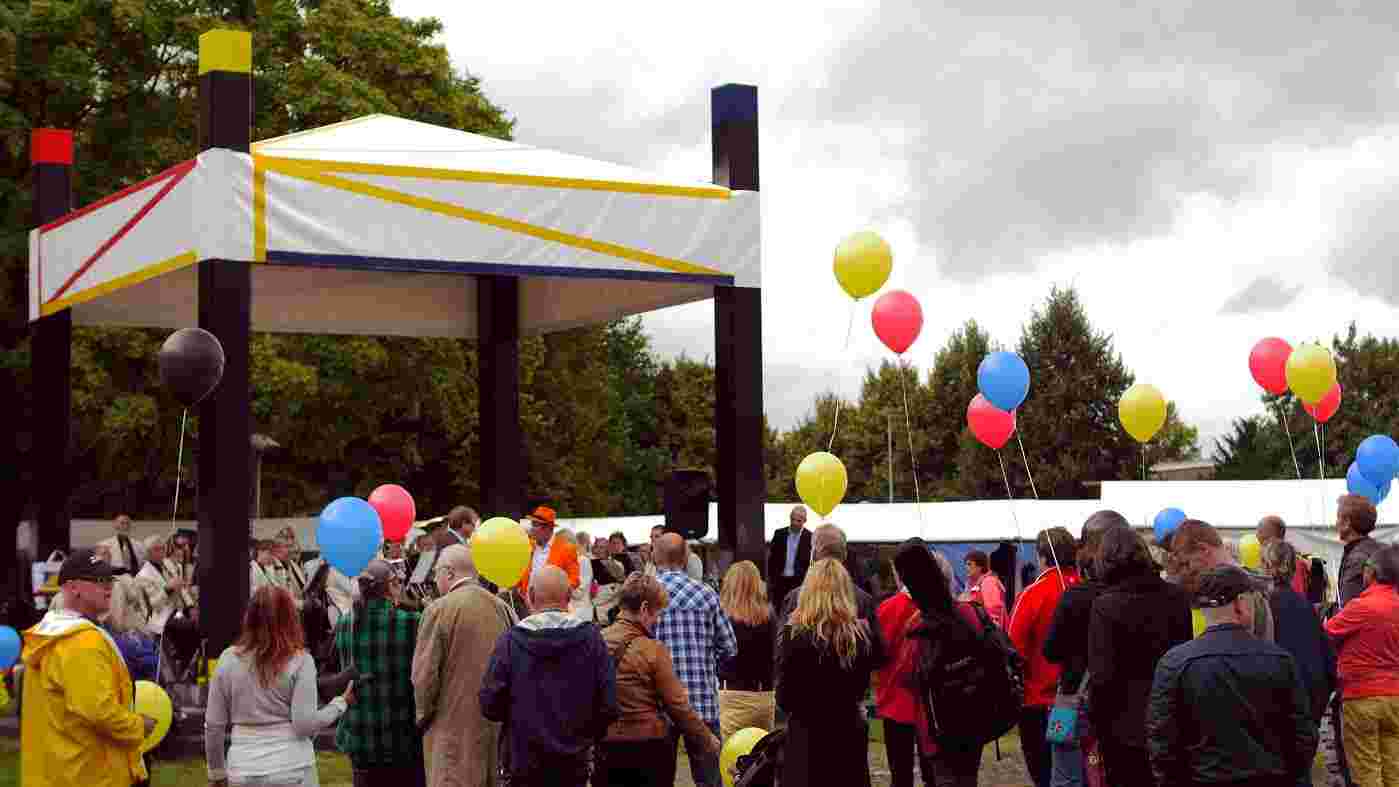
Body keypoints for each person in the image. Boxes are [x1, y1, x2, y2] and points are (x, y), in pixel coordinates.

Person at [1148, 565, 1318, 787]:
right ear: (1240, 603)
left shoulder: (1174, 663)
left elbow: (1162, 744)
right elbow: (1303, 737)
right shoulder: (1279, 660)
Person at [20, 547, 156, 787]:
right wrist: (138, 725)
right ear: (73, 588)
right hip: (91, 774)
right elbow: (98, 711)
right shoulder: (82, 641)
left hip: (59, 770)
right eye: (98, 580)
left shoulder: (51, 632)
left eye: (109, 579)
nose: (109, 586)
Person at [481, 566, 618, 787]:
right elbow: (609, 705)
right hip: (574, 762)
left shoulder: (510, 641)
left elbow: (490, 703)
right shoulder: (591, 639)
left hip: (523, 762)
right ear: (568, 596)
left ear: (531, 596)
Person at [205, 585, 354, 787]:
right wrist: (340, 704)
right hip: (292, 768)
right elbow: (304, 724)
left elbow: (214, 725)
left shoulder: (228, 658)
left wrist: (216, 772)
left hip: (242, 768)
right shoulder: (301, 661)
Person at [1089, 524, 1192, 787]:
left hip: (1125, 728)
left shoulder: (1106, 606)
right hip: (1172, 717)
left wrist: (1097, 727)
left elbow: (1103, 677)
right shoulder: (1176, 597)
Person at [598, 573, 720, 787]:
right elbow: (677, 705)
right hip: (648, 748)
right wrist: (706, 738)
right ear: (644, 609)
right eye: (657, 614)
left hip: (607, 746)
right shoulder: (653, 650)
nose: (657, 621)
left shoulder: (596, 641)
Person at [412, 545, 515, 787]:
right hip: (494, 733)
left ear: (449, 573)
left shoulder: (438, 609)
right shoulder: (503, 608)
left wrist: (423, 717)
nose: (434, 580)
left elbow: (424, 676)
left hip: (451, 735)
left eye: (436, 573)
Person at [1043, 511, 1131, 787]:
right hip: (1121, 703)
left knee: (1065, 775)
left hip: (1072, 697)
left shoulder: (1076, 596)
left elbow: (1051, 650)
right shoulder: (1139, 593)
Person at [776, 558, 878, 787]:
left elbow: (784, 697)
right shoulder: (859, 637)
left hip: (806, 736)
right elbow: (862, 689)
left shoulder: (796, 636)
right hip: (848, 733)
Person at [652, 533, 737, 787]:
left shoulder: (646, 597)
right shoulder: (706, 594)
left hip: (659, 703)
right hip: (702, 701)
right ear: (686, 557)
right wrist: (707, 663)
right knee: (710, 780)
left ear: (656, 556)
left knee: (658, 779)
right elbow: (730, 646)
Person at [335, 560, 424, 787]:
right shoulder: (411, 622)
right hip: (400, 737)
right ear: (391, 585)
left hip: (359, 735)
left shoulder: (345, 622)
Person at [1009, 527, 1080, 787]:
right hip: (1083, 702)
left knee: (1047, 775)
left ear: (1042, 557)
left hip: (1043, 704)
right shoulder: (1090, 589)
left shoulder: (1033, 595)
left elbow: (1011, 650)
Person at [1325, 545, 1399, 787]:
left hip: (1362, 697)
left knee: (1367, 770)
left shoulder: (1361, 606)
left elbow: (1328, 632)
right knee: (1394, 766)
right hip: (1396, 697)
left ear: (1371, 572)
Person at [1262, 539, 1337, 744]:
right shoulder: (1306, 606)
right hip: (1310, 698)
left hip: (1282, 701)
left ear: (1267, 566)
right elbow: (1327, 655)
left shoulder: (1263, 606)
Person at [877, 538, 936, 787]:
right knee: (933, 775)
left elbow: (879, 654)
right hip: (932, 705)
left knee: (900, 775)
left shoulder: (888, 608)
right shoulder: (943, 605)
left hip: (896, 701)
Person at [1170, 519, 1274, 641]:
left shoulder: (1247, 590)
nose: (1188, 570)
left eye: (1187, 563)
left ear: (1203, 549)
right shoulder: (1249, 585)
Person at [718, 560, 777, 740]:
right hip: (763, 697)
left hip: (731, 695)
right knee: (761, 761)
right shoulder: (769, 617)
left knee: (729, 760)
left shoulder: (722, 617)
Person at [517, 506, 581, 596]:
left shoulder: (566, 549)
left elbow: (574, 580)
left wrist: (555, 594)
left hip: (550, 604)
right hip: (527, 603)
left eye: (535, 525)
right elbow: (522, 574)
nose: (532, 529)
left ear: (548, 528)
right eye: (532, 524)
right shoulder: (529, 546)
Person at [1337, 495, 1383, 607]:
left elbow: (1348, 608)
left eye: (1338, 517)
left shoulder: (1357, 559)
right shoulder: (1381, 549)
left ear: (1347, 522)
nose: (1336, 523)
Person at [766, 505, 813, 612]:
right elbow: (772, 559)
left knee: (795, 610)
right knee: (778, 609)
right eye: (793, 519)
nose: (795, 523)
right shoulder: (779, 534)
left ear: (805, 521)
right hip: (780, 581)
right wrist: (772, 579)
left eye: (798, 520)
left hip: (799, 582)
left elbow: (811, 562)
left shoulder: (810, 537)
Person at [1258, 515, 1311, 596]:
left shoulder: (1291, 562)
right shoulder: (1270, 558)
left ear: (1272, 535)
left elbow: (1295, 596)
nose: (1257, 536)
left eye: (1260, 531)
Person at [959, 549, 1007, 628]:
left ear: (980, 566)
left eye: (969, 564)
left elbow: (993, 611)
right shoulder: (971, 584)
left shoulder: (988, 582)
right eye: (966, 564)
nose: (966, 567)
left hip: (988, 633)